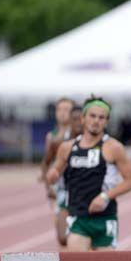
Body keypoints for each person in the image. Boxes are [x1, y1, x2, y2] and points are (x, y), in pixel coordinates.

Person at [47, 96, 131, 261]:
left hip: (105, 220)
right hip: (78, 219)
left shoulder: (113, 148)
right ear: (83, 119)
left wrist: (106, 196)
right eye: (92, 116)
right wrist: (53, 175)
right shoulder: (67, 148)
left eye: (102, 118)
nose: (96, 121)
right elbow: (56, 168)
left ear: (106, 122)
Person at [40, 98, 75, 246]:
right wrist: (48, 187)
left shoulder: (77, 133)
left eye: (67, 109)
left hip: (74, 186)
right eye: (59, 109)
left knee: (74, 229)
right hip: (57, 187)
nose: (62, 113)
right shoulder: (51, 136)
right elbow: (46, 162)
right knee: (60, 231)